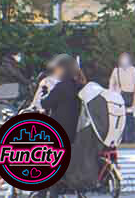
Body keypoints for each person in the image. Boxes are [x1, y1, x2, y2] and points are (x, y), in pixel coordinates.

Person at [40, 53, 87, 198]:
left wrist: (44, 91)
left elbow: (45, 103)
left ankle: (46, 193)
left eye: (57, 68)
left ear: (62, 69)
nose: (55, 71)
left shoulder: (61, 87)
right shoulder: (79, 85)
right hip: (72, 132)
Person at [109, 52, 135, 143]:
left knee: (129, 118)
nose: (124, 61)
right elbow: (111, 84)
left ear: (129, 60)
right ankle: (121, 138)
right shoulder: (116, 71)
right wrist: (112, 96)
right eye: (123, 59)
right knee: (120, 119)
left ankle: (130, 138)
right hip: (119, 97)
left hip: (131, 97)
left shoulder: (134, 71)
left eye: (126, 59)